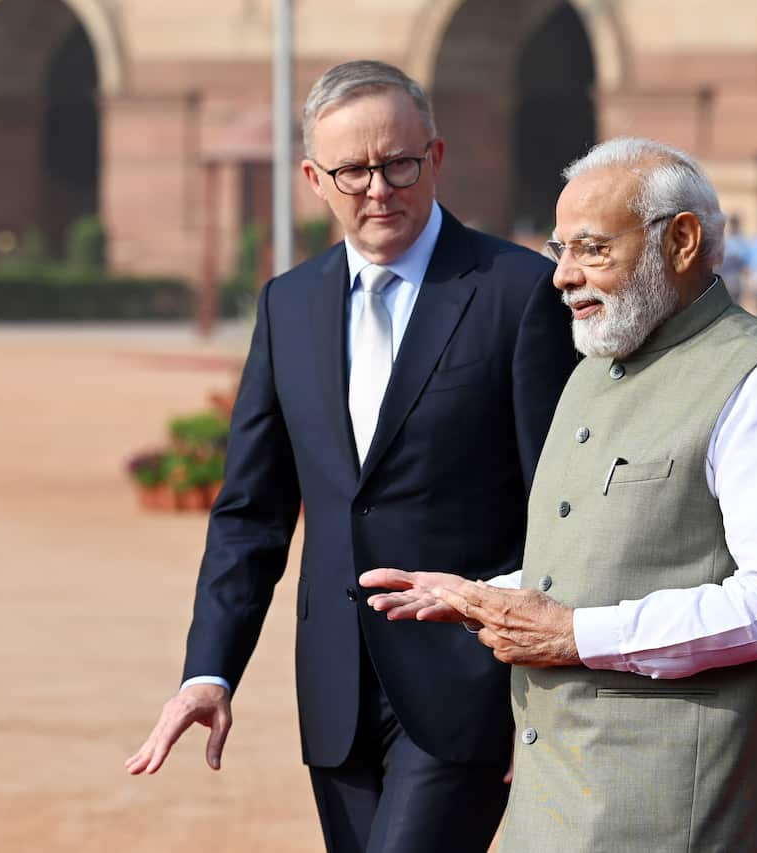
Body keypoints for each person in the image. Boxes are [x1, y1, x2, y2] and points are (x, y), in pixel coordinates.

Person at [124, 60, 578, 853]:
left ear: (434, 157)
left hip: (468, 681)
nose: (379, 188)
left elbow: (563, 500)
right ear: (313, 177)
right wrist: (210, 670)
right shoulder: (289, 304)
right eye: (353, 170)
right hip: (335, 689)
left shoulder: (518, 291)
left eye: (399, 163)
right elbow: (252, 513)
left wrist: (528, 651)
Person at [362, 137, 757, 853]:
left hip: (687, 806)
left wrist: (574, 635)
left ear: (680, 240)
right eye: (559, 249)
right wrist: (487, 596)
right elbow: (608, 559)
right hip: (562, 793)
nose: (562, 276)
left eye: (590, 249)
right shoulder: (594, 368)